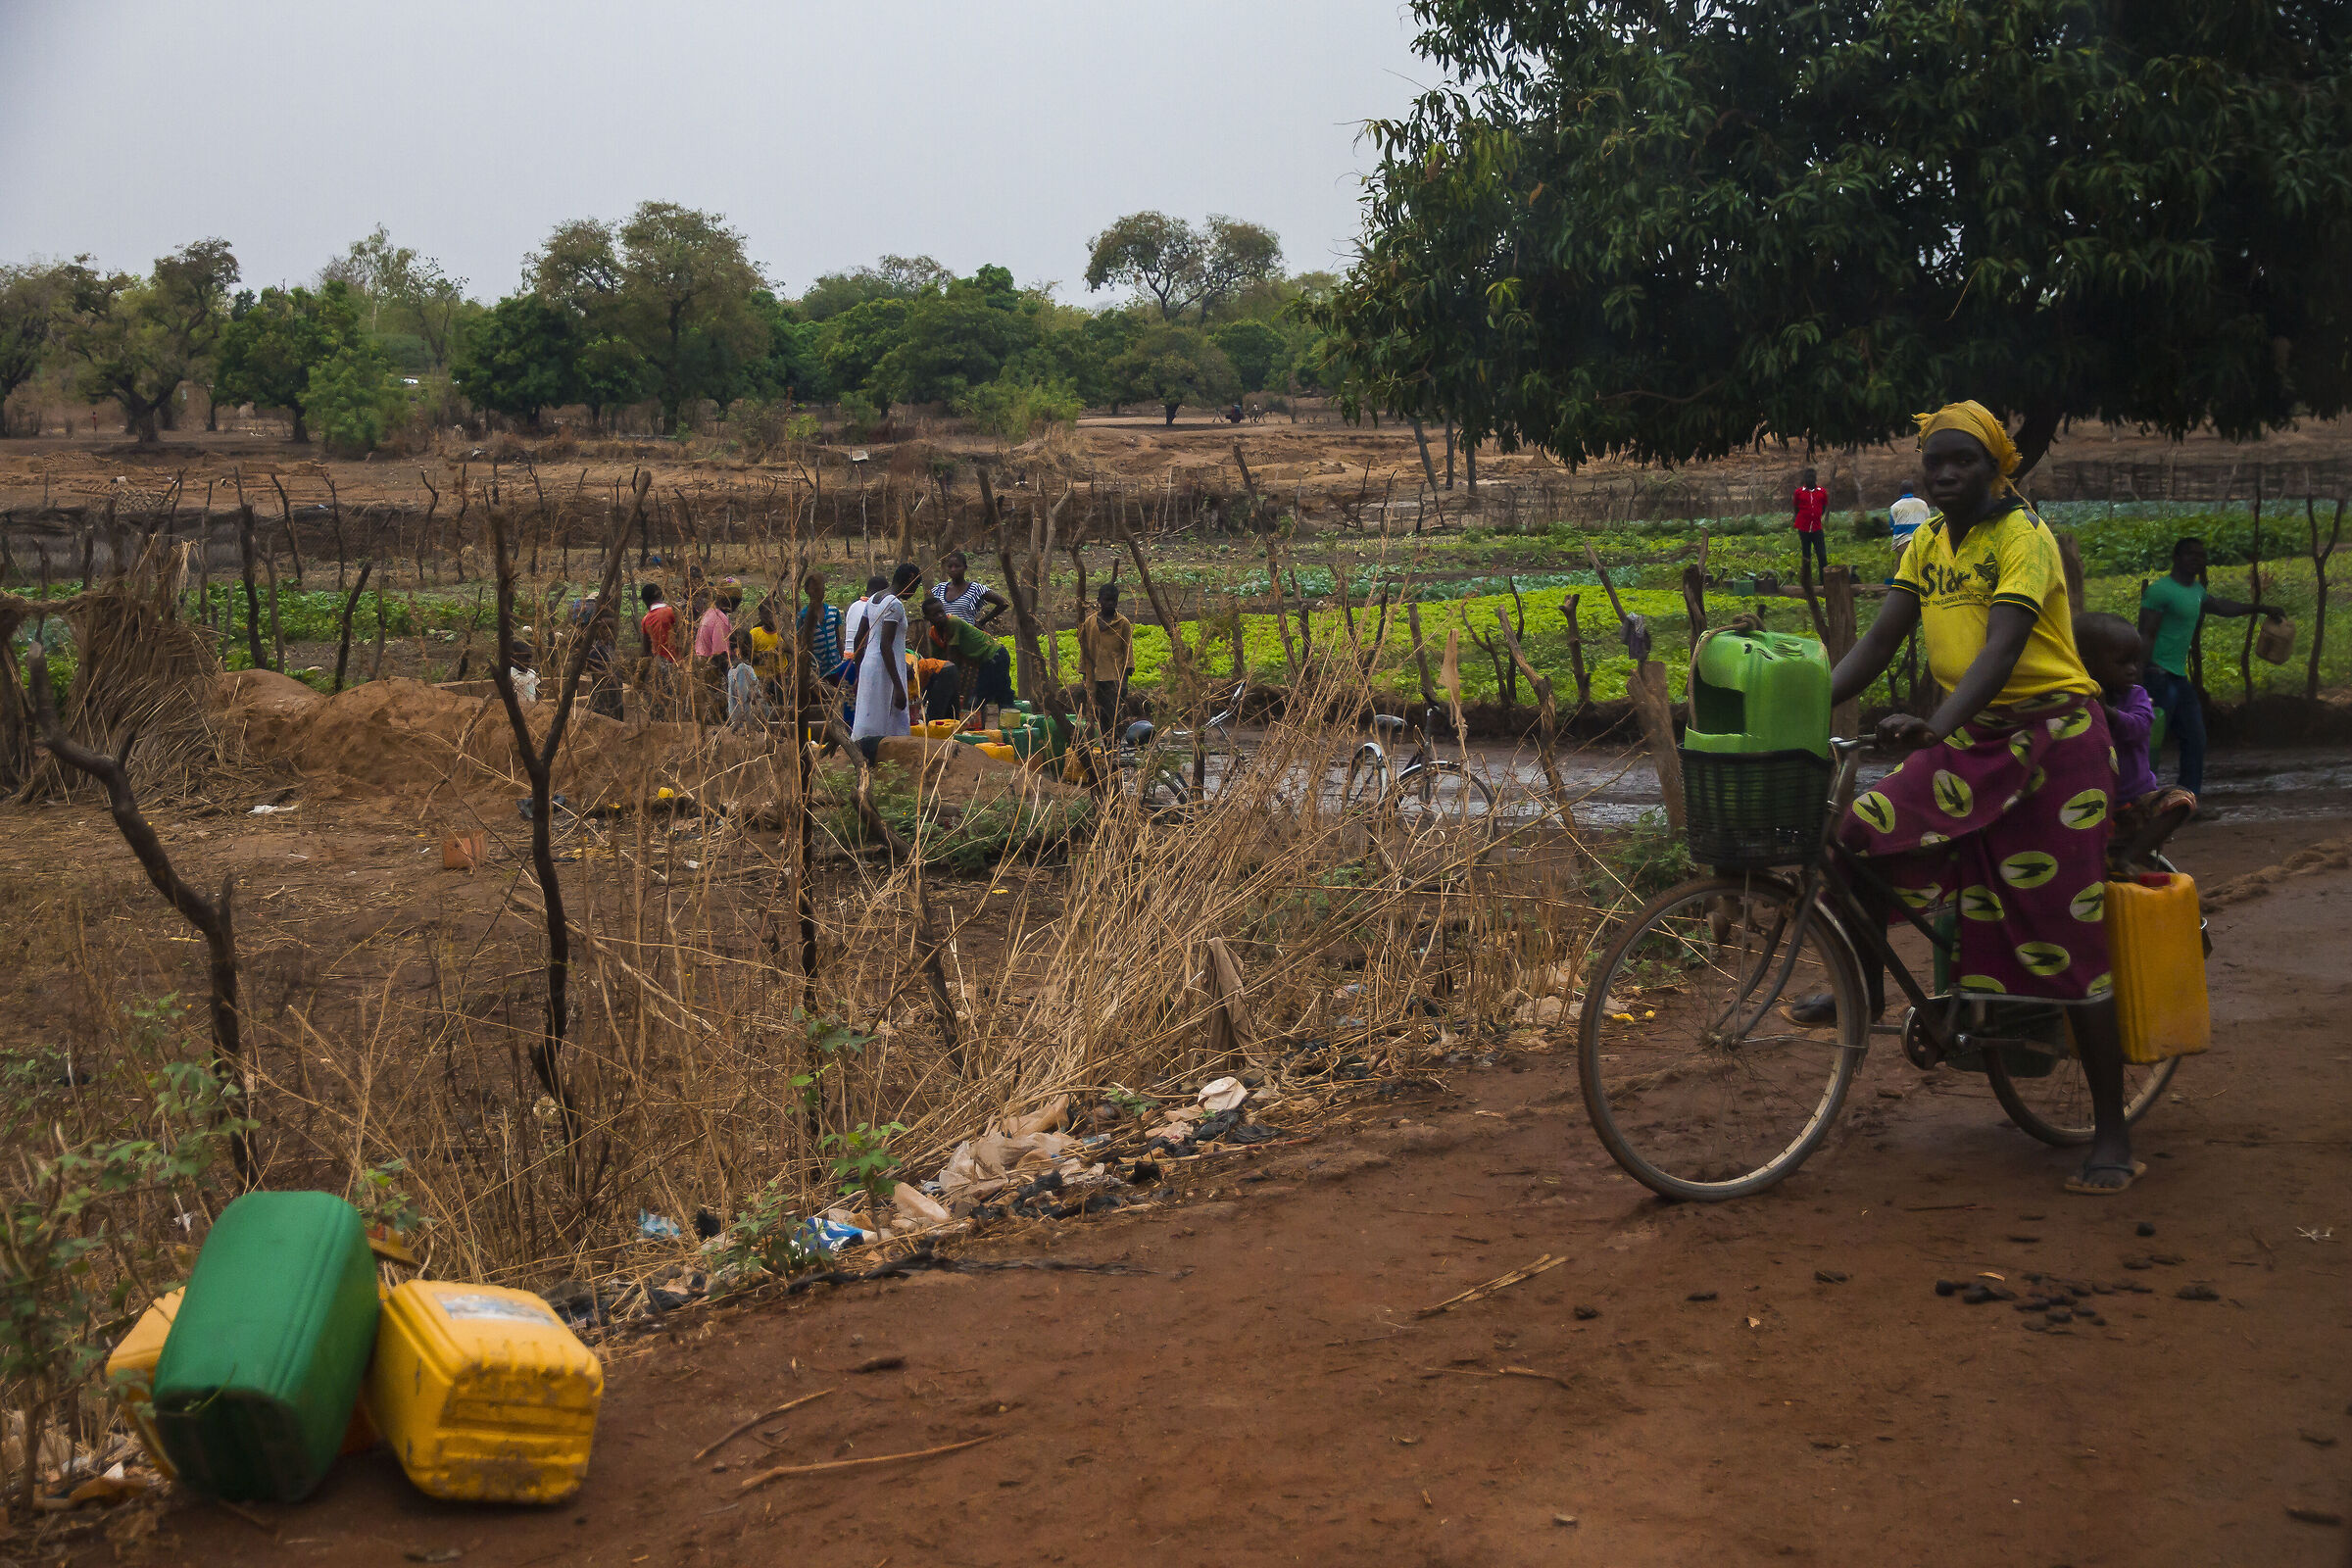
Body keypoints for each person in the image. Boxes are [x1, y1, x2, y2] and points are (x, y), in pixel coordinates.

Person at [1805, 399, 2139, 1195]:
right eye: (1936, 462)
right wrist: (1800, 702)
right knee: (1858, 833)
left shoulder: (2024, 538)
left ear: (1997, 470)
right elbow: (1882, 640)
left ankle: (2113, 1130)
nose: (1948, 474)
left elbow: (2002, 646)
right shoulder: (1924, 542)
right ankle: (1871, 987)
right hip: (1971, 741)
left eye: (1965, 462)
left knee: (2064, 935)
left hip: (2054, 741)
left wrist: (1934, 725)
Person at [2136, 536, 2282, 798]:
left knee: (2195, 739)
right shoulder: (2160, 591)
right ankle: (2141, 800)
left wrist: (2260, 608)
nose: (2198, 560)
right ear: (2177, 557)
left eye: (2202, 556)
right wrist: (2138, 678)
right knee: (2151, 741)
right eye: (2191, 555)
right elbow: (2145, 635)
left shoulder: (2196, 591)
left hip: (2178, 678)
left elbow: (2221, 606)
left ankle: (2187, 800)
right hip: (2157, 674)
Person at [2076, 612, 2197, 870]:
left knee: (2180, 800)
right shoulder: (2074, 702)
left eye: (2136, 662)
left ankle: (2129, 857)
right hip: (2091, 807)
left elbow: (2139, 727)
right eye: (2122, 663)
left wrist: (2106, 712)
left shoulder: (2136, 696)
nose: (2133, 669)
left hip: (2136, 805)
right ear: (2087, 665)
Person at [848, 564, 919, 760]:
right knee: (887, 720)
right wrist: (898, 687)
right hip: (884, 670)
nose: (914, 593)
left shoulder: (872, 600)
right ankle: (884, 761)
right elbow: (885, 645)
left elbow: (858, 639)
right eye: (916, 586)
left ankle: (863, 758)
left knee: (869, 717)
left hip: (869, 667)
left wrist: (859, 672)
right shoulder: (894, 604)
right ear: (910, 578)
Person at [918, 595, 1015, 723]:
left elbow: (952, 660)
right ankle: (1007, 727)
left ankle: (996, 729)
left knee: (980, 697)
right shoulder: (934, 634)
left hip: (994, 655)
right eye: (935, 614)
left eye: (941, 611)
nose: (940, 616)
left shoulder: (953, 622)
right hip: (984, 660)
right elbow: (938, 663)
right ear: (927, 618)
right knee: (1000, 693)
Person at [1077, 584, 1135, 731]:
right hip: (1094, 676)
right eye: (1107, 600)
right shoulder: (1089, 622)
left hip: (1114, 678)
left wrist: (1124, 682)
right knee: (1097, 715)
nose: (1110, 603)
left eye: (1113, 601)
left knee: (1114, 716)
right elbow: (1085, 650)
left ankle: (1113, 746)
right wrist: (1085, 673)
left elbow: (1128, 652)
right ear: (1099, 601)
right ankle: (1105, 746)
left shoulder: (1123, 623)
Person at [931, 552, 1009, 627]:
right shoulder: (939, 589)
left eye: (957, 566)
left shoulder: (976, 589)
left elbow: (1003, 603)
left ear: (965, 568)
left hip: (967, 637)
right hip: (944, 637)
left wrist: (982, 622)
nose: (953, 569)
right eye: (950, 566)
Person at [640, 583, 681, 717]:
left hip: (658, 663)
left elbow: (645, 650)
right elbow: (684, 636)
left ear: (645, 601)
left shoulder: (645, 620)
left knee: (660, 701)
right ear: (661, 595)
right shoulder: (672, 612)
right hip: (676, 663)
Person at [724, 628, 770, 732]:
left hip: (746, 725)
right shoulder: (742, 669)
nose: (750, 649)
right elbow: (744, 701)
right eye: (749, 646)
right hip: (748, 726)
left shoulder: (735, 668)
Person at [1791, 466, 1830, 578]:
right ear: (1805, 479)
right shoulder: (1798, 492)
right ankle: (1807, 581)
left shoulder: (1822, 492)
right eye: (1808, 477)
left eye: (1812, 477)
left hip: (1817, 528)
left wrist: (1816, 516)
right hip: (1803, 528)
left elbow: (1824, 507)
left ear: (1815, 479)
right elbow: (1796, 507)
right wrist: (1804, 516)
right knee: (1806, 555)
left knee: (1821, 555)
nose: (1810, 480)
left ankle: (1824, 580)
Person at [1887, 486, 1930, 552]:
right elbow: (1928, 520)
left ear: (1900, 492)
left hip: (1902, 541)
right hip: (1922, 539)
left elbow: (1892, 526)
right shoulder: (1923, 503)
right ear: (1913, 491)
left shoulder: (1895, 506)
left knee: (1902, 561)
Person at [506, 640, 539, 707]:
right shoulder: (510, 674)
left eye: (530, 657)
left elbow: (537, 692)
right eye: (526, 657)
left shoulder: (532, 673)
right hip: (519, 710)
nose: (529, 660)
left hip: (533, 710)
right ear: (514, 658)